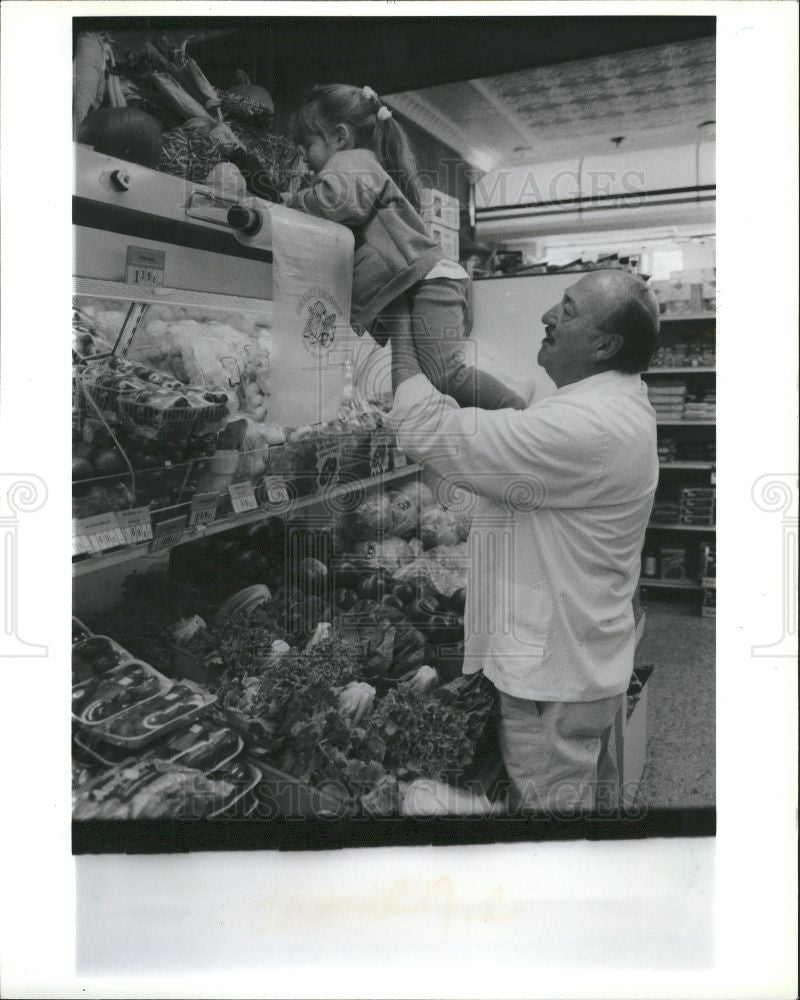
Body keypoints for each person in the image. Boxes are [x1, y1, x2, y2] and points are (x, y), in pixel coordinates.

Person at [386, 269, 661, 814]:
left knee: (551, 836)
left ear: (605, 344)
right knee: (587, 808)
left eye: (568, 308)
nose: (548, 316)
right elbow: (515, 425)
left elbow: (425, 428)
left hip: (551, 679)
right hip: (579, 663)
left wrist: (396, 317)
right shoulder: (607, 406)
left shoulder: (590, 426)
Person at [284, 83, 526, 410]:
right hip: (417, 283)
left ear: (339, 137)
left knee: (446, 374)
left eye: (307, 144)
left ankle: (518, 412)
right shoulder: (361, 164)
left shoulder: (349, 161)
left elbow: (335, 201)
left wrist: (289, 201)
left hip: (430, 282)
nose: (304, 156)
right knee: (411, 380)